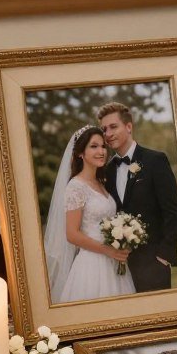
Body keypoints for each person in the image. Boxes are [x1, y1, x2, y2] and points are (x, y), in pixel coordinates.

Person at [45, 125, 137, 304]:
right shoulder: (75, 187)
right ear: (81, 153)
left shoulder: (101, 182)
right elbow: (72, 234)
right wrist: (107, 250)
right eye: (93, 146)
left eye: (103, 146)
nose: (101, 151)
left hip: (114, 261)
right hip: (92, 265)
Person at [98, 101, 177, 292]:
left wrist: (164, 256)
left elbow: (172, 211)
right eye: (104, 129)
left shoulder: (155, 160)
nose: (108, 134)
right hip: (119, 268)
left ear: (128, 127)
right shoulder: (107, 171)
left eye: (113, 127)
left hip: (154, 263)